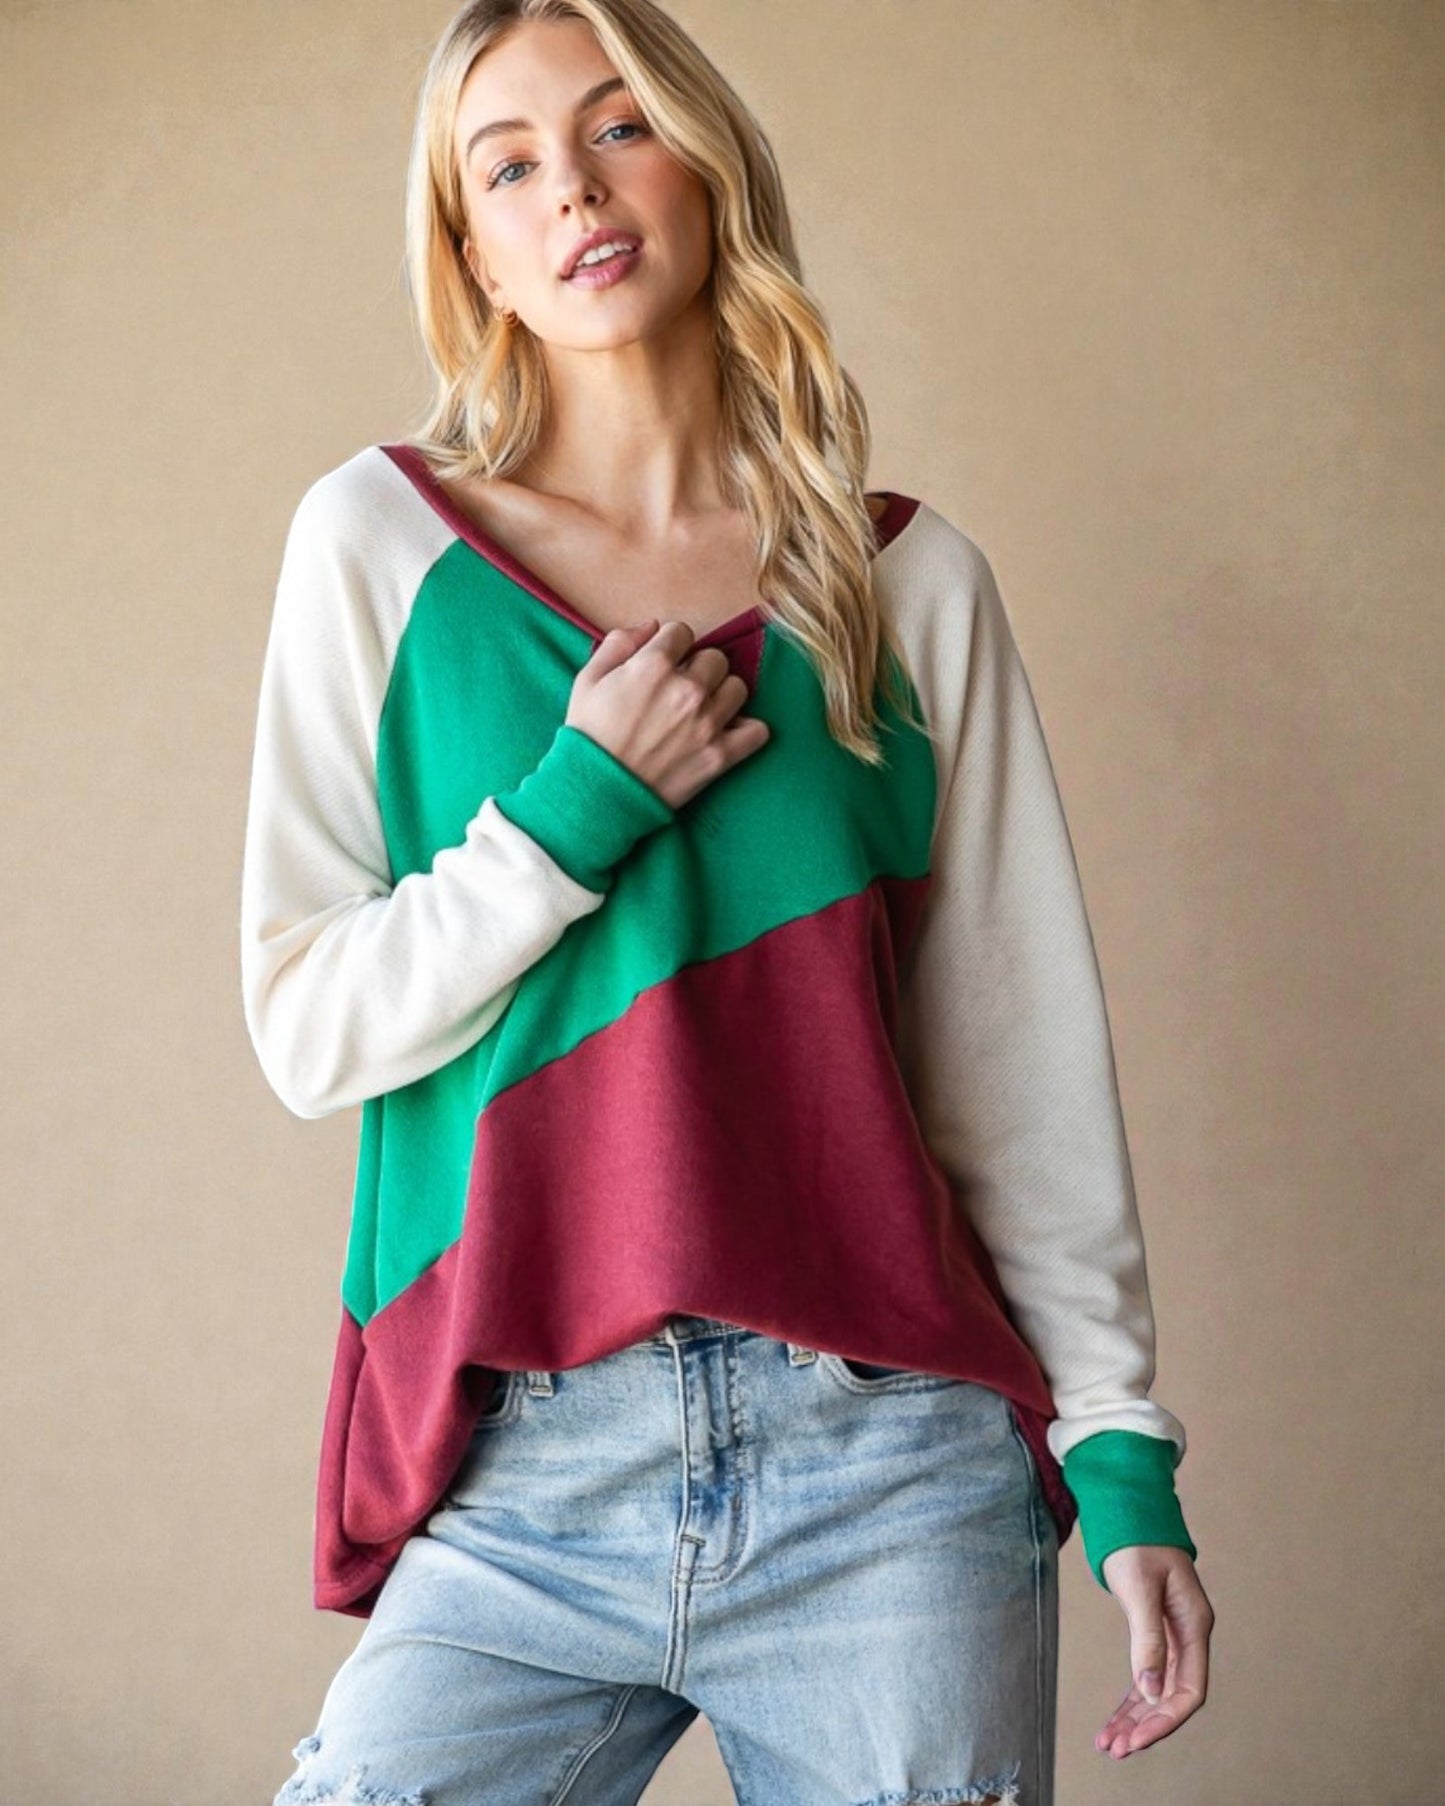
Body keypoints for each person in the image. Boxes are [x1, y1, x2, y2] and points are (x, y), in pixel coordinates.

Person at [241, 3, 1214, 1801]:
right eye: (507, 165)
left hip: (889, 1469)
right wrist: (569, 813)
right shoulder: (378, 548)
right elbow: (308, 1025)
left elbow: (1021, 1069)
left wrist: (1122, 1454)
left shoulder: (904, 586)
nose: (573, 194)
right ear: (471, 253)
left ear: (704, 160)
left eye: (618, 129)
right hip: (529, 1461)